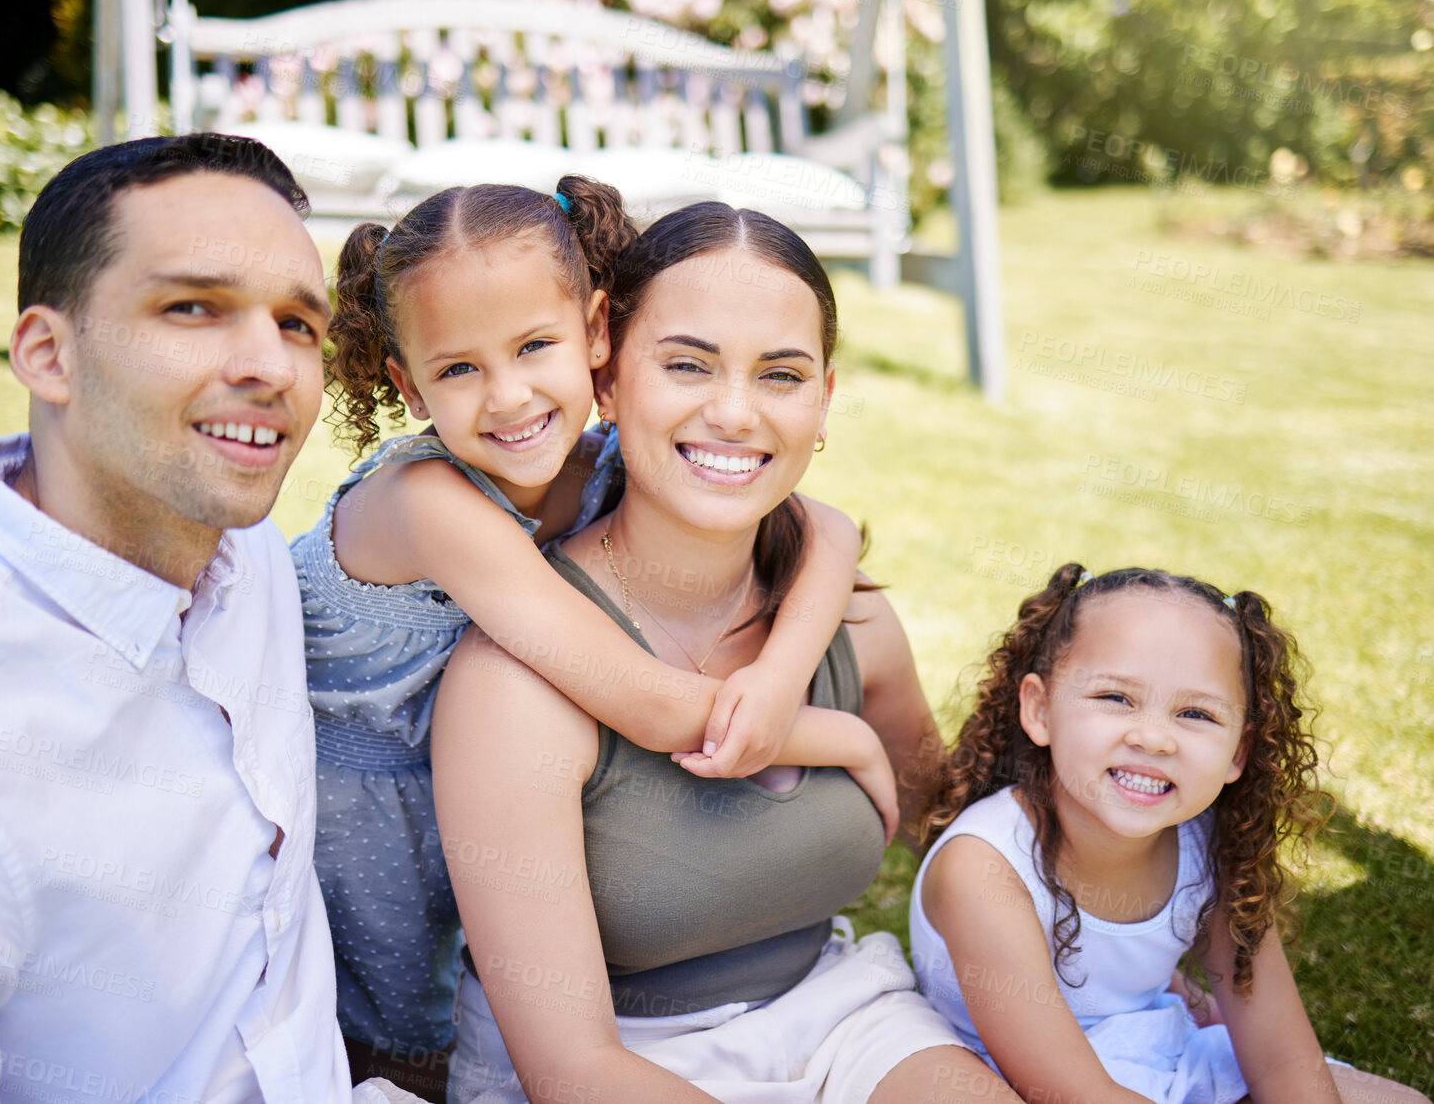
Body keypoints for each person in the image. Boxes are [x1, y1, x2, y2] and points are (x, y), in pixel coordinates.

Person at [0, 134, 402, 1102]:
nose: (270, 366)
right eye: (193, 307)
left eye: (297, 324)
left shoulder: (250, 560)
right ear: (46, 353)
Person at [296, 178, 896, 1089]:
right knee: (385, 1040)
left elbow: (833, 529)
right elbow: (650, 703)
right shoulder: (428, 503)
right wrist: (839, 733)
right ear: (407, 384)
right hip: (359, 795)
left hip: (457, 760)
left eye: (535, 346)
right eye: (458, 369)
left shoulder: (592, 458)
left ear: (595, 333)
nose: (508, 397)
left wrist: (776, 679)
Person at [431, 201, 1019, 1104]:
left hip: (837, 1010)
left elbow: (959, 826)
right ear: (608, 378)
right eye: (686, 365)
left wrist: (1102, 940)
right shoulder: (514, 686)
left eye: (779, 375)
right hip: (619, 1059)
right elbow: (572, 1069)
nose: (734, 412)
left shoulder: (850, 625)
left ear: (824, 399)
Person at [910, 563, 1431, 1104]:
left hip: (1156, 1049)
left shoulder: (1212, 850)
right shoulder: (983, 866)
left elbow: (1283, 1061)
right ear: (1040, 710)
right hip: (1018, 1082)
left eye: (1196, 713)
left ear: (1238, 752)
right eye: (1116, 698)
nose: (1155, 739)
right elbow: (1074, 1092)